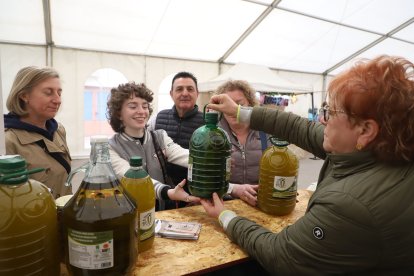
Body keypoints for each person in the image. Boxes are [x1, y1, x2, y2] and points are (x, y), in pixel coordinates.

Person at [200, 55, 414, 274]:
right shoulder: (379, 148)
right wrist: (239, 111)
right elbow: (298, 127)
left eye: (331, 112)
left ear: (366, 131)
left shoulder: (349, 206)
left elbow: (281, 256)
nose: (322, 119)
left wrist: (225, 216)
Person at [107, 82, 199, 210]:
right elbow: (135, 179)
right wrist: (168, 192)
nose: (141, 111)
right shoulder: (111, 147)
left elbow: (186, 156)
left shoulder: (159, 137)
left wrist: (214, 161)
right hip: (129, 214)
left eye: (145, 106)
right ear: (118, 114)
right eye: (133, 107)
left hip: (161, 212)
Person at [4, 66, 71, 198]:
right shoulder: (7, 139)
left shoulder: (58, 130)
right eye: (48, 92)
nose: (58, 100)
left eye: (59, 93)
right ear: (24, 95)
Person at [214, 80, 270, 206]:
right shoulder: (213, 135)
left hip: (260, 204)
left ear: (250, 104)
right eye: (227, 104)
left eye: (239, 104)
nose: (232, 109)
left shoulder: (266, 133)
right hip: (224, 205)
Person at [148, 72, 204, 190]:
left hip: (195, 192)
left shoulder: (208, 124)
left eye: (190, 89)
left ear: (197, 93)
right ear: (171, 94)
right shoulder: (157, 118)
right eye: (179, 89)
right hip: (162, 189)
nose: (185, 93)